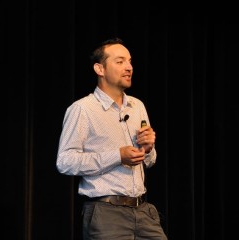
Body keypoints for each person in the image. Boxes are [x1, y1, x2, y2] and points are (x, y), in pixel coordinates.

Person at [56, 37, 168, 240]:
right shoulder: (83, 109)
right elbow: (65, 162)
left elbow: (149, 162)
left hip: (144, 211)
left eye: (130, 61)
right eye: (120, 61)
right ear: (100, 69)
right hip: (106, 213)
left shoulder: (137, 106)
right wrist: (117, 156)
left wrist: (149, 148)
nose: (129, 67)